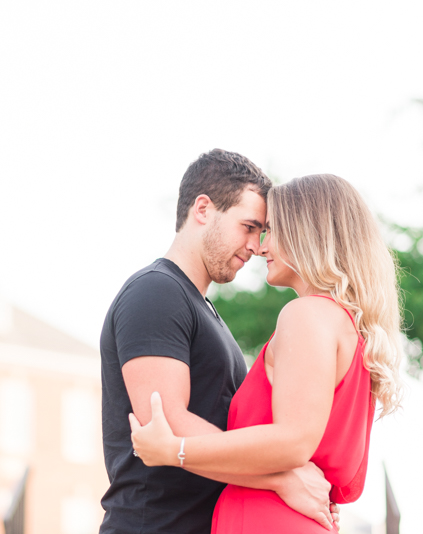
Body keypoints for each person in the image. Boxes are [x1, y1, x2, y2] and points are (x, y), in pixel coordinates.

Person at [130, 174, 404, 533]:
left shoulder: (305, 314)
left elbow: (292, 441)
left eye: (271, 230)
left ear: (307, 233)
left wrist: (173, 450)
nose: (260, 247)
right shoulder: (350, 328)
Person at [100, 151, 340, 534]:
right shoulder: (155, 292)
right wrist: (281, 477)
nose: (256, 246)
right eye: (248, 226)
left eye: (262, 232)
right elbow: (167, 424)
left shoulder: (204, 311)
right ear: (203, 209)